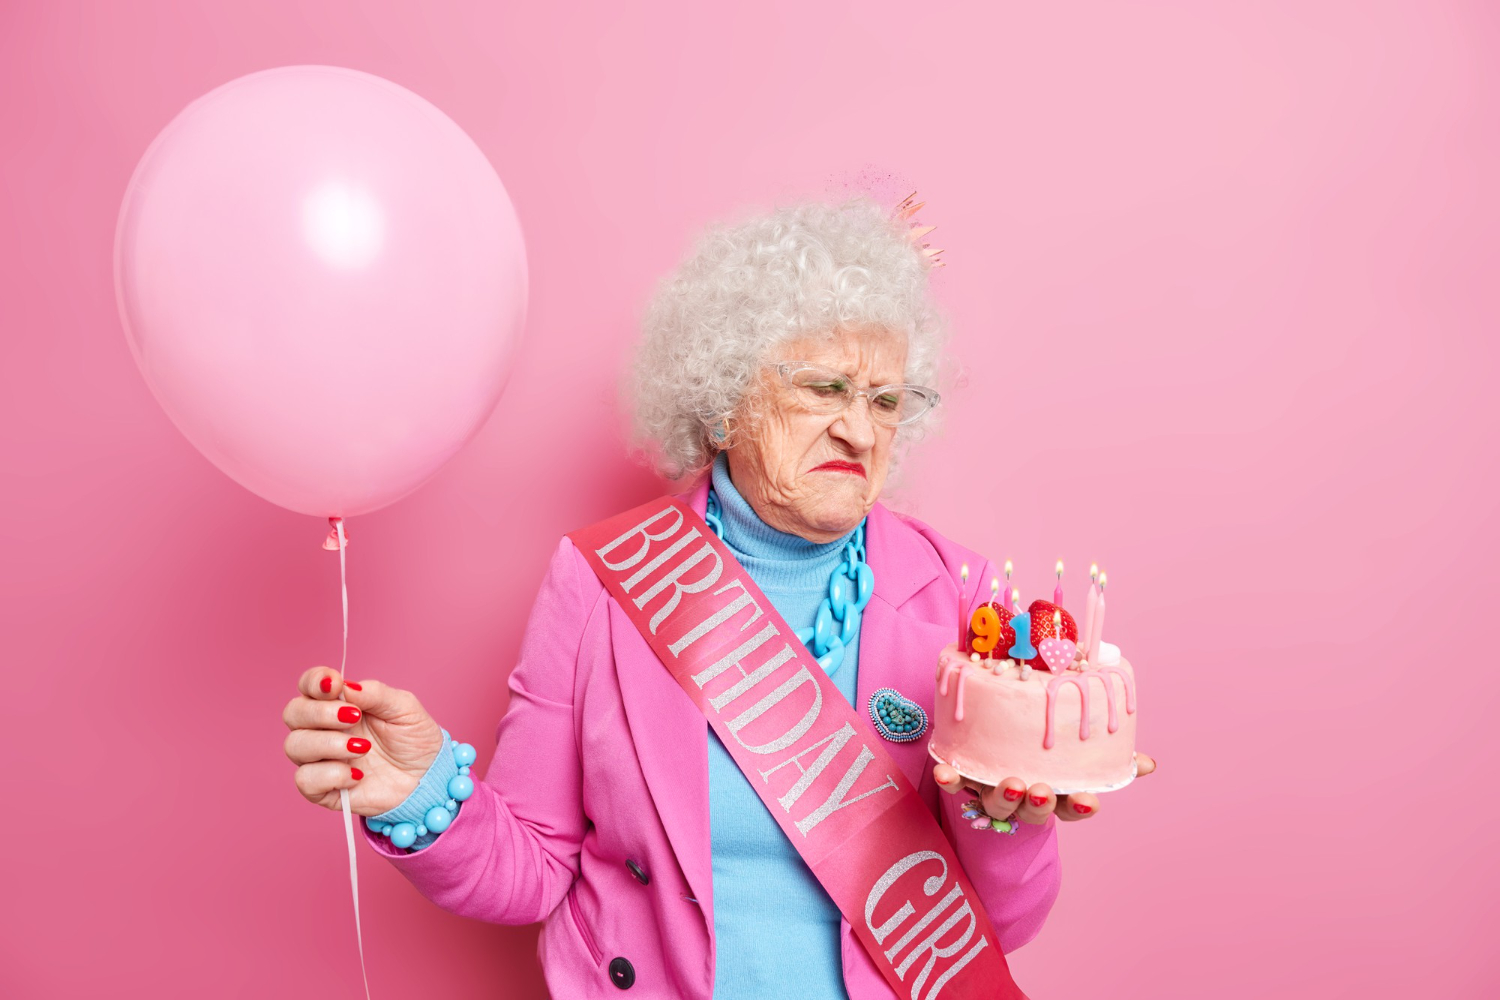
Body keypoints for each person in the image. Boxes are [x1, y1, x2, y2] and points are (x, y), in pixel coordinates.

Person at [281, 194, 1156, 998]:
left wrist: (1009, 820)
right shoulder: (602, 579)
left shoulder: (960, 597)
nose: (859, 428)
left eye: (887, 401)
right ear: (726, 398)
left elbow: (994, 928)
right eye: (823, 389)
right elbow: (533, 871)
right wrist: (422, 792)